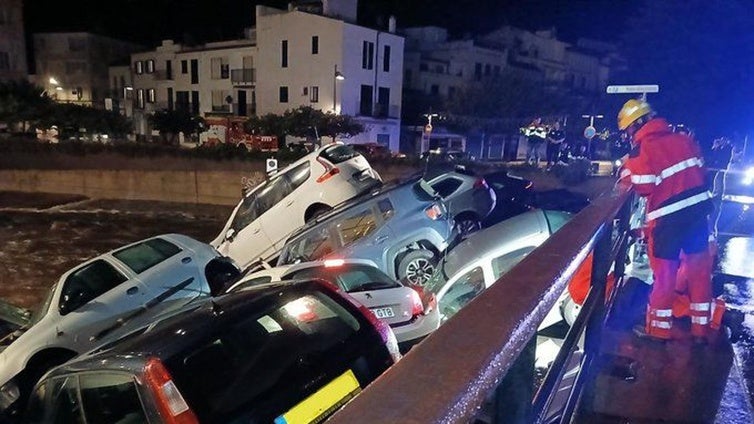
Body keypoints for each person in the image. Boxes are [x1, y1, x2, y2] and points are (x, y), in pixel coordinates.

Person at [615, 98, 715, 343]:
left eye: (628, 129)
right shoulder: (684, 139)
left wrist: (626, 169)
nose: (628, 135)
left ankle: (658, 333)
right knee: (699, 274)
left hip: (668, 222)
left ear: (636, 125)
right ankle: (701, 332)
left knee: (665, 278)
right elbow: (701, 172)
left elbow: (645, 186)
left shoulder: (641, 150)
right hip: (698, 216)